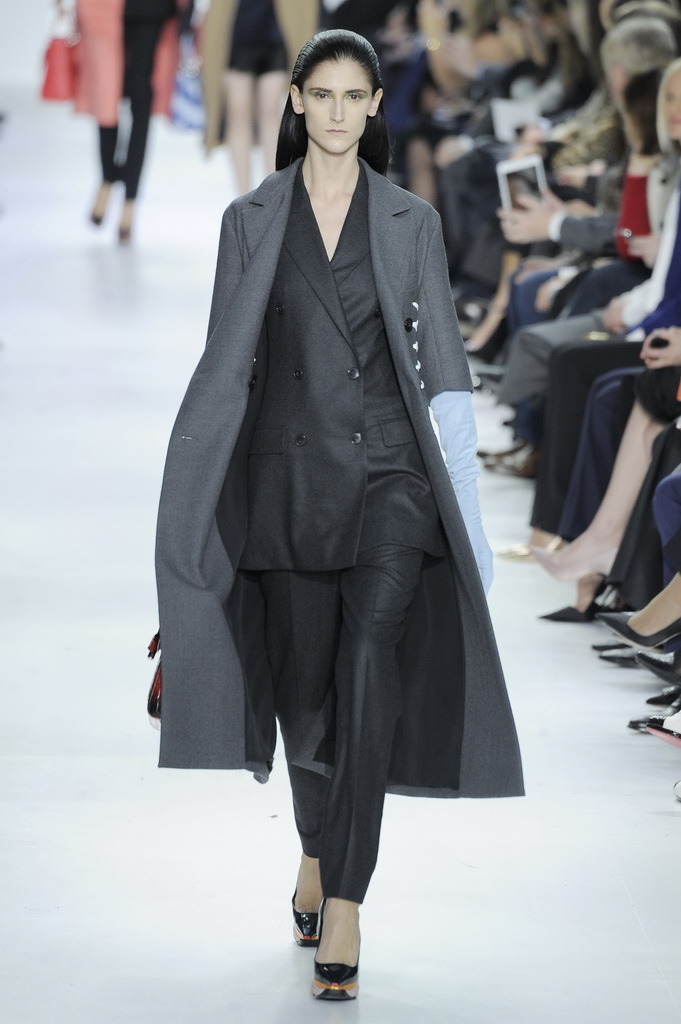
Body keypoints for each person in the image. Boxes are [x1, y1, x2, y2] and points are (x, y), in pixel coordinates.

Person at [154, 29, 523, 1001]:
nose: (337, 112)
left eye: (354, 96)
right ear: (296, 101)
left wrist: (466, 517)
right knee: (304, 697)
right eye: (321, 94)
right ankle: (316, 847)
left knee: (366, 675)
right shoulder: (250, 220)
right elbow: (225, 375)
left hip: (392, 480)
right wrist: (200, 516)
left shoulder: (410, 221)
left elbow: (447, 374)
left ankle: (347, 896)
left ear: (373, 108)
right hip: (285, 485)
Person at [74, 0, 183, 242]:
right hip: (101, 8)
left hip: (150, 11)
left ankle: (128, 201)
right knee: (106, 96)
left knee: (140, 102)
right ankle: (108, 180)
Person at [200, 0, 318, 193]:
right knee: (238, 112)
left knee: (270, 111)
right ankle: (244, 196)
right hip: (236, 28)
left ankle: (271, 194)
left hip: (277, 28)